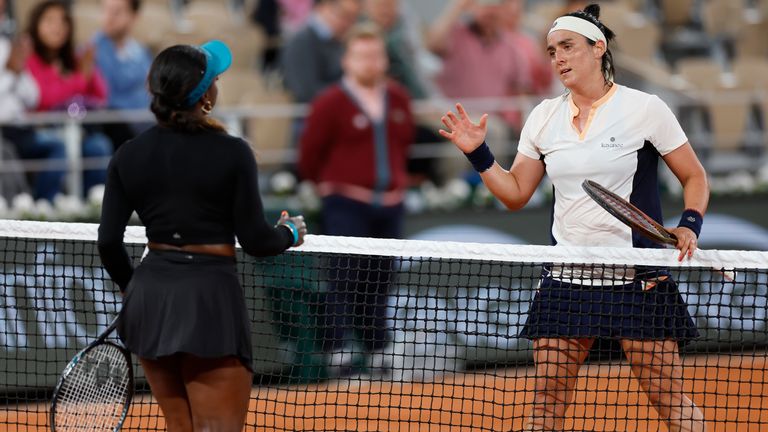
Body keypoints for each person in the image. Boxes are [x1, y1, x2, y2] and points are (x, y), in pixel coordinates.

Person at [439, 4, 708, 431]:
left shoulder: (645, 108)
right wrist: (479, 153)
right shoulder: (544, 117)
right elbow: (515, 193)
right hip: (567, 279)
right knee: (546, 403)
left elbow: (694, 175)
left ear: (598, 47)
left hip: (637, 280)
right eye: (551, 51)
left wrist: (689, 223)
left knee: (670, 401)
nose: (558, 58)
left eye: (567, 47)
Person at [97, 40, 307, 431]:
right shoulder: (233, 153)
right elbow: (258, 242)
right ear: (206, 96)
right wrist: (290, 231)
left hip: (150, 300)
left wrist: (131, 288)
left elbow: (108, 242)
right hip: (208, 300)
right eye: (214, 78)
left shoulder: (127, 154)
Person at [297, 23, 414, 376]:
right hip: (345, 203)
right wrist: (331, 186)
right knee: (343, 278)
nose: (370, 62)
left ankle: (378, 350)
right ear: (347, 60)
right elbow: (308, 156)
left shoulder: (399, 98)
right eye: (362, 55)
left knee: (381, 280)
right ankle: (338, 352)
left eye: (376, 55)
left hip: (390, 204)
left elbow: (404, 142)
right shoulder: (328, 102)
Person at [24, 0, 113, 198]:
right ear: (35, 25)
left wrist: (89, 70)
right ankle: (46, 206)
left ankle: (93, 207)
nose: (57, 27)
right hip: (42, 131)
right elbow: (45, 99)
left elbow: (100, 96)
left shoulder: (74, 59)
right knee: (59, 147)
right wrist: (81, 78)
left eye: (63, 22)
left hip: (79, 132)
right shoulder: (29, 60)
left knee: (99, 145)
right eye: (49, 21)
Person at [93, 0, 153, 149]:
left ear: (134, 16)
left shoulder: (142, 52)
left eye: (117, 12)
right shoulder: (90, 52)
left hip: (148, 125)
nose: (109, 17)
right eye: (105, 10)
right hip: (116, 130)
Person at [280, 0, 361, 104]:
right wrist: (352, 91)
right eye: (345, 16)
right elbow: (306, 91)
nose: (348, 24)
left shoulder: (338, 40)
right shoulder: (303, 41)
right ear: (324, 7)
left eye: (353, 18)